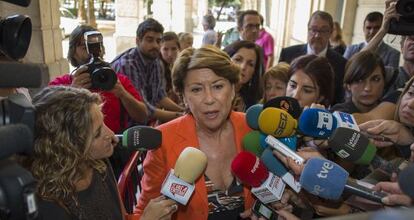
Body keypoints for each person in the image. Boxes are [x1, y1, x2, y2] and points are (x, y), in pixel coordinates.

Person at [134, 45, 255, 219]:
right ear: (183, 96)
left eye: (218, 86)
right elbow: (145, 210)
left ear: (233, 89)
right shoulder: (164, 141)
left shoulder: (251, 128)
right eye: (196, 89)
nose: (209, 99)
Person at [31, 86, 123, 219]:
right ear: (69, 148)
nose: (111, 134)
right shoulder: (48, 204)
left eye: (103, 122)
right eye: (97, 133)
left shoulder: (99, 164)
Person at [49, 25, 148, 134]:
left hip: (111, 143)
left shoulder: (116, 81)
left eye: (96, 47)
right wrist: (72, 93)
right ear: (73, 52)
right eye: (84, 47)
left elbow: (142, 116)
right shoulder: (61, 84)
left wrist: (123, 94)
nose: (91, 53)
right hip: (74, 146)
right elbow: (48, 121)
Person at [111, 18, 184, 123]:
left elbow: (160, 97)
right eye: (149, 40)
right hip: (125, 128)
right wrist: (180, 115)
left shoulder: (156, 61)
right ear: (138, 41)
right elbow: (142, 109)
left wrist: (182, 110)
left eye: (158, 41)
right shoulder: (127, 65)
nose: (155, 45)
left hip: (146, 124)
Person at [279, 10, 346, 105]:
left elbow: (339, 99)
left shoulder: (341, 63)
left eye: (323, 31)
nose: (317, 35)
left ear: (331, 33)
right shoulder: (288, 54)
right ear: (308, 30)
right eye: (313, 30)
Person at [223, 40, 264, 111]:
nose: (243, 67)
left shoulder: (254, 105)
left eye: (250, 64)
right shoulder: (212, 93)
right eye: (238, 60)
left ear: (254, 72)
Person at [160, 31, 181, 104]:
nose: (170, 54)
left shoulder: (176, 65)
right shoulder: (158, 67)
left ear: (179, 49)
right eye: (165, 49)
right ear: (160, 49)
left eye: (174, 49)